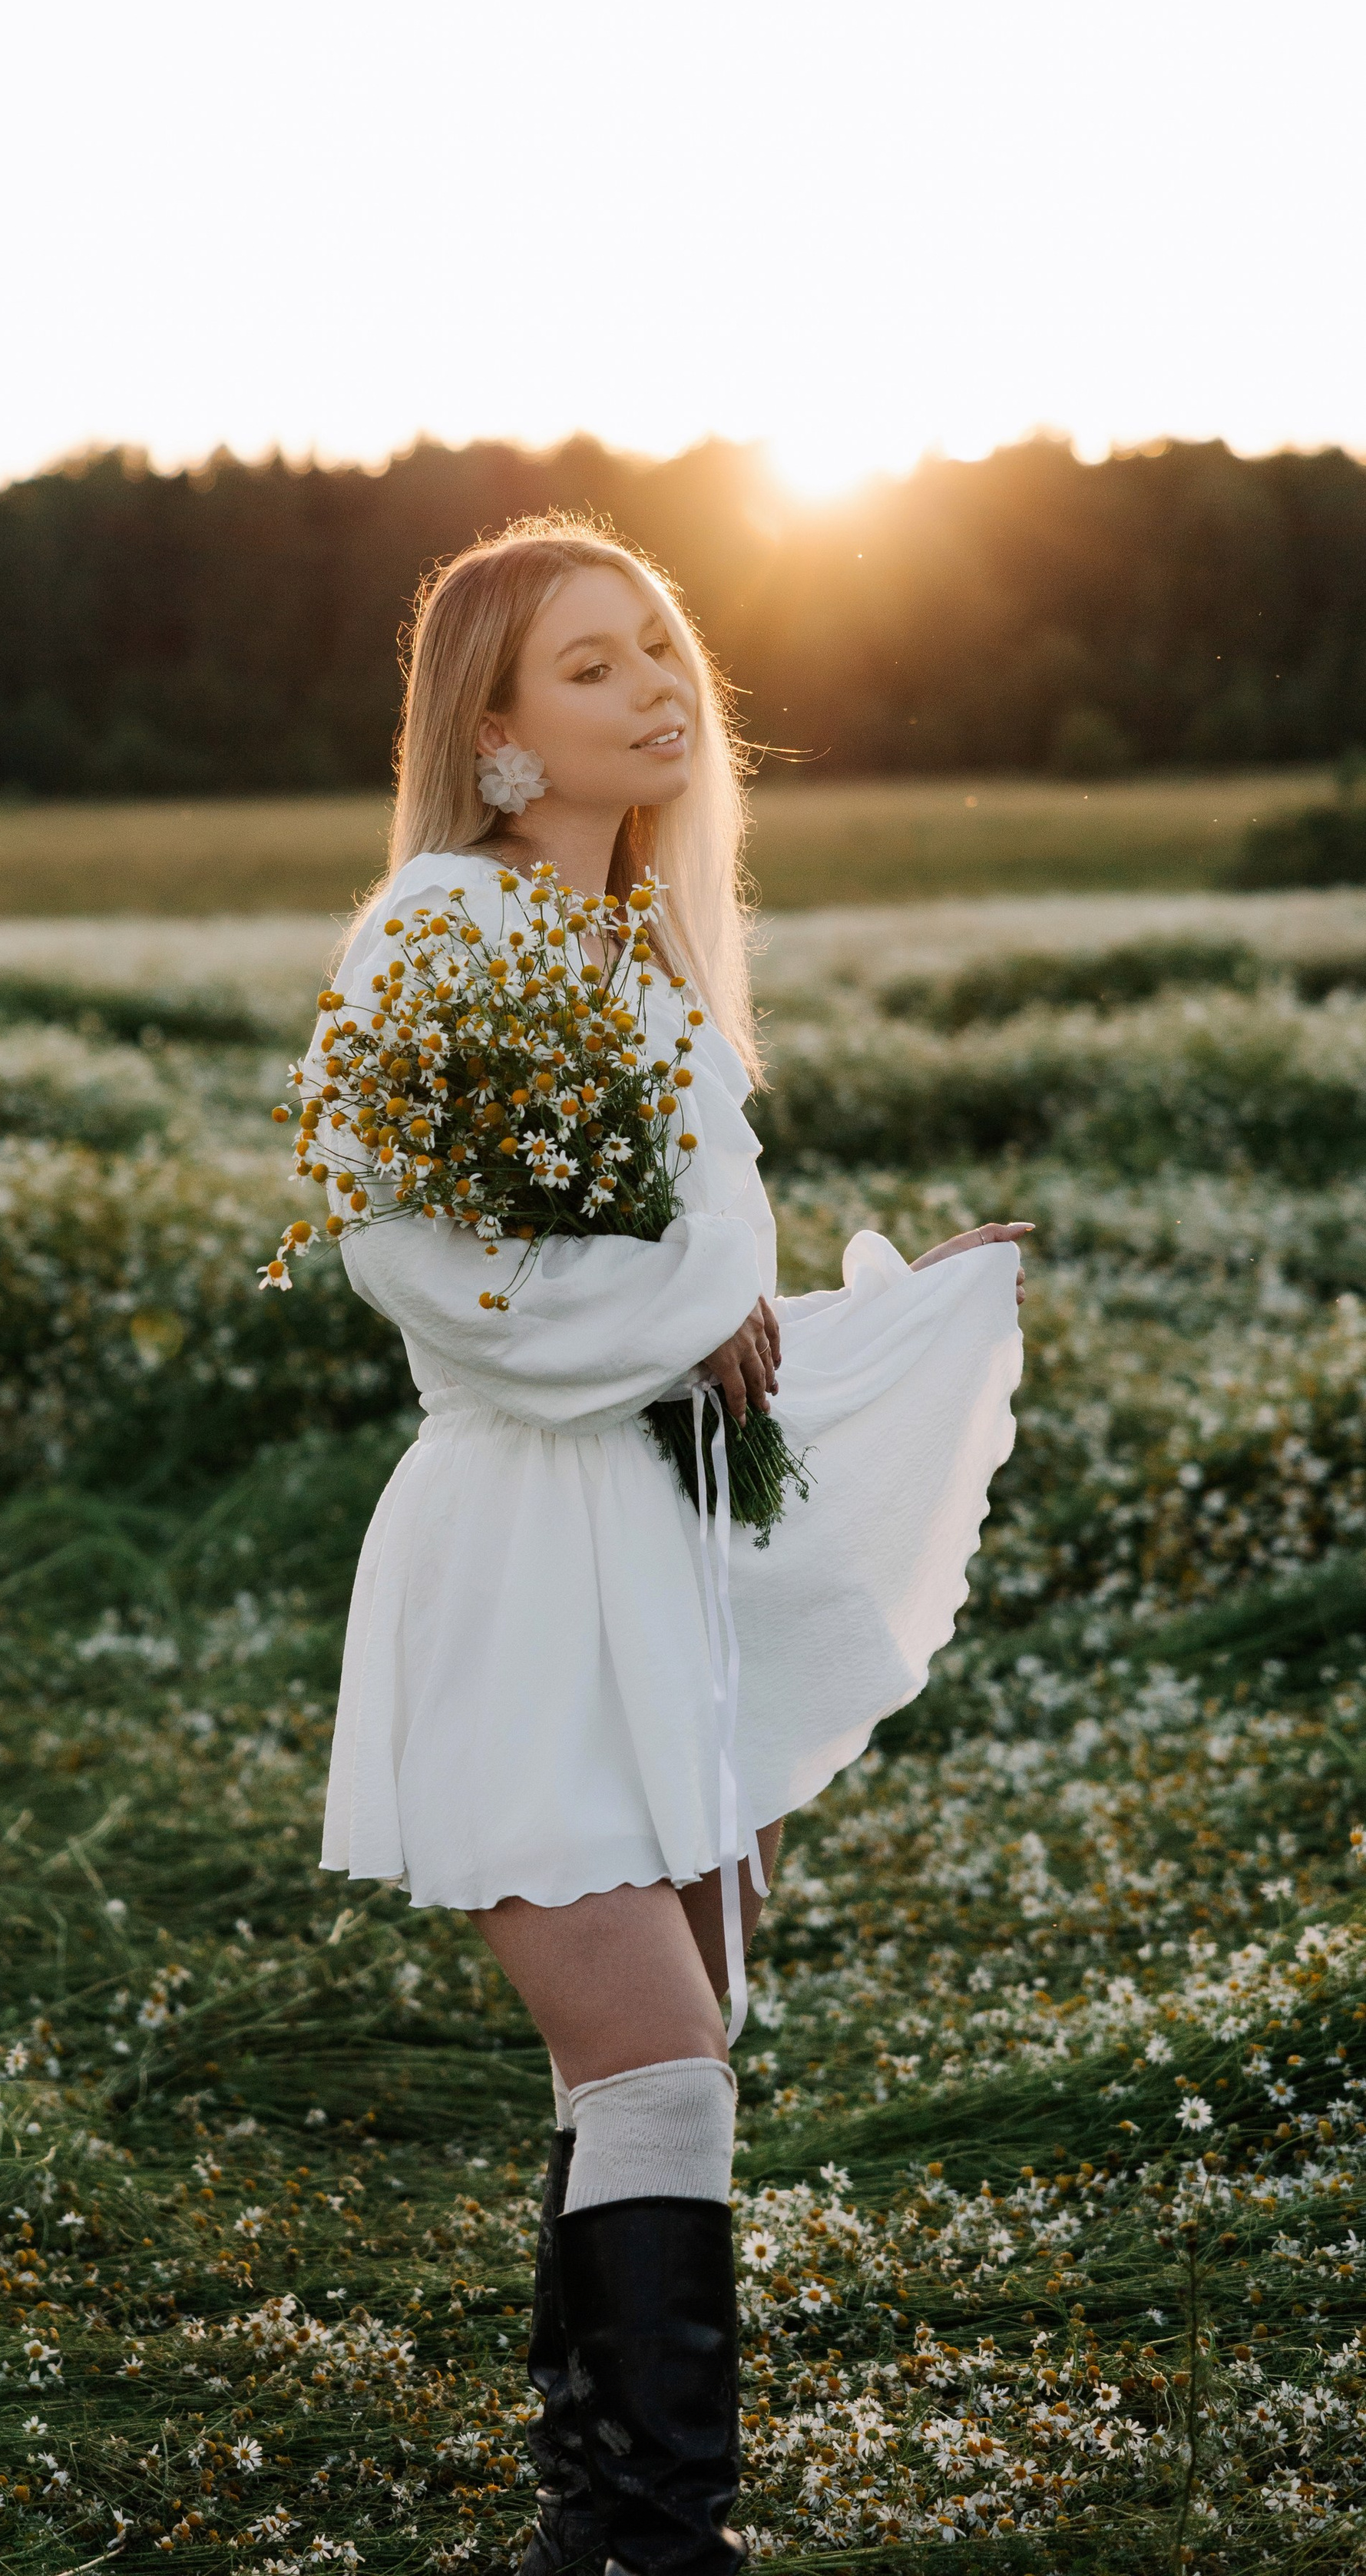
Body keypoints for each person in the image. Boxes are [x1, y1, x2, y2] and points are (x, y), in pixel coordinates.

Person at [308, 516, 1027, 2576]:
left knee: (651, 2064)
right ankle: (654, 2542)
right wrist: (701, 1311)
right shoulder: (437, 930)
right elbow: (434, 1274)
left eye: (659, 649)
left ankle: (601, 2525)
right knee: (661, 2063)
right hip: (527, 1557)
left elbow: (706, 1309)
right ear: (495, 728)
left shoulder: (636, 955)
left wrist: (882, 1316)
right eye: (593, 664)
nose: (655, 688)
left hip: (661, 1545)